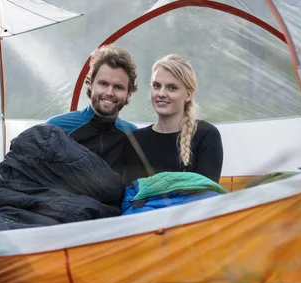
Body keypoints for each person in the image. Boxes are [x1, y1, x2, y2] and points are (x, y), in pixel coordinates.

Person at [125, 54, 224, 184]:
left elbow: (206, 194)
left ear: (188, 95)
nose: (161, 93)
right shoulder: (136, 140)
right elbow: (133, 195)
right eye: (156, 86)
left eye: (172, 88)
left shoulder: (206, 135)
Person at [46, 44, 138, 176]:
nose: (109, 92)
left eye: (118, 87)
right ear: (90, 84)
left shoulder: (133, 136)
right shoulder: (56, 128)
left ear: (129, 93)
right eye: (103, 84)